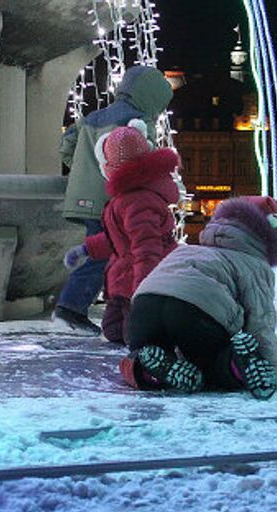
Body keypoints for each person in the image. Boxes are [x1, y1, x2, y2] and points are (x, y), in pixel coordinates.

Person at [119, 196, 277, 400]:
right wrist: (273, 372)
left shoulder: (189, 251)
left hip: (144, 304)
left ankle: (147, 372)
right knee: (212, 365)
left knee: (142, 354)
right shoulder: (254, 264)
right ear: (270, 236)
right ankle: (237, 365)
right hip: (195, 311)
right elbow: (260, 321)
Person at [54, 65, 174, 335]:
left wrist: (82, 170)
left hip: (85, 197)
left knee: (108, 253)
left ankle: (108, 312)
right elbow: (143, 162)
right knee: (108, 255)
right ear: (152, 96)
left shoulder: (94, 117)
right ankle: (70, 310)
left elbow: (66, 144)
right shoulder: (138, 122)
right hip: (113, 200)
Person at [63, 120, 180, 345]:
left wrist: (144, 291)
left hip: (136, 285)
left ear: (109, 167)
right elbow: (118, 238)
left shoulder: (137, 201)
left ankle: (149, 361)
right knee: (114, 331)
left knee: (135, 336)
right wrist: (87, 248)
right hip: (123, 282)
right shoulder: (128, 198)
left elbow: (147, 249)